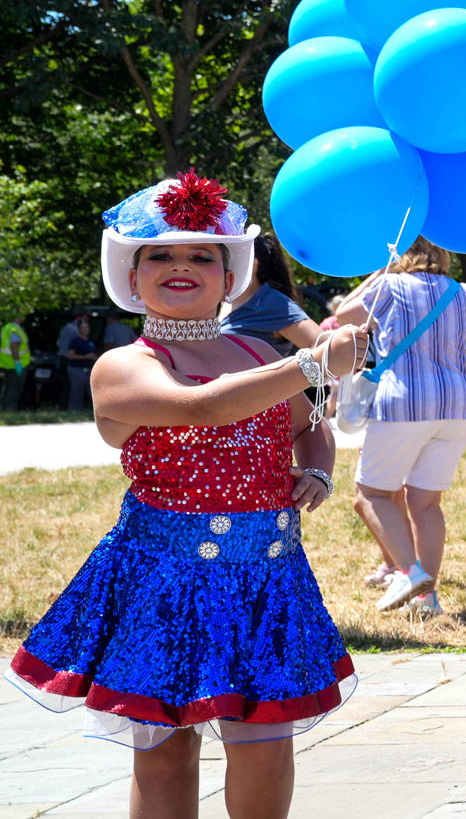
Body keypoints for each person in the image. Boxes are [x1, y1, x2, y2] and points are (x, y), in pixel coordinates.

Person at [8, 172, 356, 813]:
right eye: (160, 255)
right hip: (163, 585)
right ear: (131, 277)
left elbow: (309, 426)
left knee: (265, 741)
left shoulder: (256, 351)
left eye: (203, 255)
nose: (181, 265)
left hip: (266, 577)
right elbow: (202, 410)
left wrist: (317, 469)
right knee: (165, 747)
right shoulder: (124, 365)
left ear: (231, 279)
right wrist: (310, 362)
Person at [326, 239, 466, 614]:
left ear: (401, 254)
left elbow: (344, 314)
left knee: (370, 493)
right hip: (459, 405)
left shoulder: (389, 285)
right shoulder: (463, 292)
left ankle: (409, 572)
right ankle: (427, 598)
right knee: (426, 503)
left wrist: (381, 270)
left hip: (404, 401)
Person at [222, 231, 321, 355]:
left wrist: (291, 372)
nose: (224, 264)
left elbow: (325, 347)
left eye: (231, 257)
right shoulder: (223, 301)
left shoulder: (273, 303)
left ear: (253, 263)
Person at [64, 316, 97, 410]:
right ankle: (74, 411)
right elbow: (70, 355)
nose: (85, 330)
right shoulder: (74, 341)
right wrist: (85, 357)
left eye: (87, 328)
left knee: (90, 391)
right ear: (79, 329)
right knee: (77, 391)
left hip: (89, 369)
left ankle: (90, 411)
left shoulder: (90, 342)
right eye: (82, 328)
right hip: (76, 369)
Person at [0, 312, 28, 412]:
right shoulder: (14, 329)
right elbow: (14, 345)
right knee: (14, 389)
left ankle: (4, 409)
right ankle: (10, 410)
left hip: (6, 364)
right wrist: (17, 362)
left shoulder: (6, 328)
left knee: (7, 389)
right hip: (15, 365)